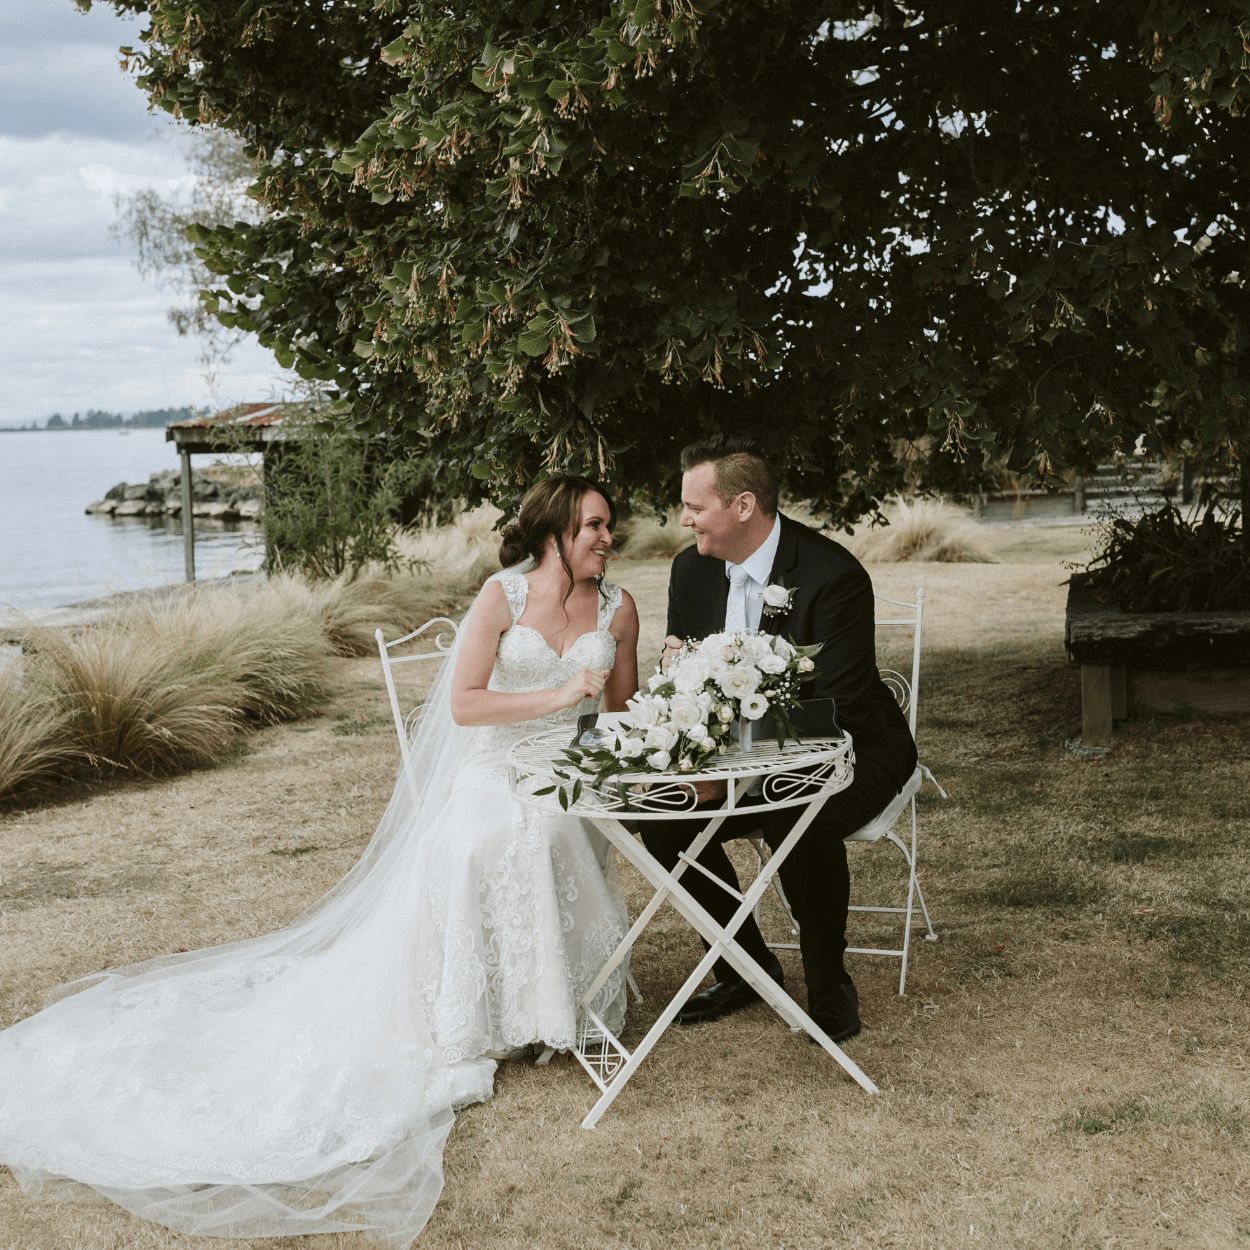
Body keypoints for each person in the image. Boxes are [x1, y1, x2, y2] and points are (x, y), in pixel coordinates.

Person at [0, 475, 639, 1248]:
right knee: (494, 835)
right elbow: (467, 704)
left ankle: (555, 1004)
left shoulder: (619, 608)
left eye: (608, 526)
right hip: (496, 765)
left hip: (566, 770)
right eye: (594, 526)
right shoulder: (500, 598)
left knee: (561, 826)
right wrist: (553, 696)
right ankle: (489, 1013)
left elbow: (618, 717)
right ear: (553, 532)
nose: (608, 537)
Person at [640, 434, 917, 1044]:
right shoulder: (689, 570)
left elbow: (834, 710)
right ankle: (745, 967)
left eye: (695, 506)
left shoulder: (832, 574)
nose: (684, 519)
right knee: (660, 822)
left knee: (796, 814)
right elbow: (678, 672)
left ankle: (827, 980)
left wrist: (738, 773)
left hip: (856, 748)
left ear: (742, 506)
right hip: (732, 757)